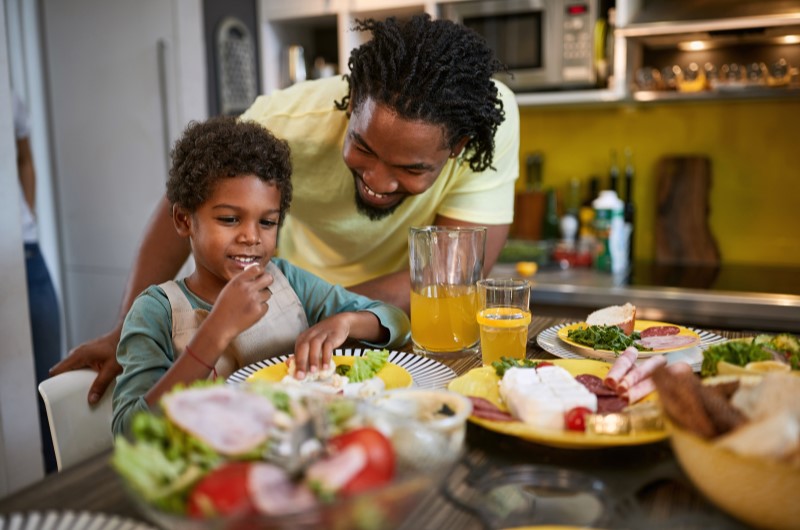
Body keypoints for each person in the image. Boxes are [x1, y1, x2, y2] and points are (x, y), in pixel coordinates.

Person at [52, 14, 520, 404]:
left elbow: (448, 276)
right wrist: (124, 328)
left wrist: (310, 308)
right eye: (362, 146)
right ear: (353, 103)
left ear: (456, 148)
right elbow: (185, 201)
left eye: (410, 168)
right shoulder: (285, 124)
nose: (377, 180)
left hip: (334, 318)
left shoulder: (479, 125)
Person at [112, 116, 410, 435]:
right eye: (229, 219)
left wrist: (348, 322)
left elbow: (396, 322)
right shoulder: (157, 311)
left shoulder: (287, 281)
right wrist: (215, 333)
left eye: (267, 223)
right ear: (184, 219)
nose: (252, 237)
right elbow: (129, 432)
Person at [14, 90, 62, 473]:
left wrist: (27, 212)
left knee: (47, 379)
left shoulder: (6, 93)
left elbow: (24, 156)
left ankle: (53, 484)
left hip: (25, 253)